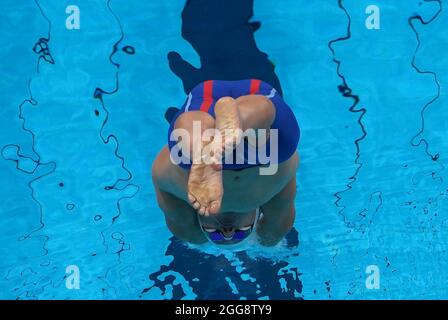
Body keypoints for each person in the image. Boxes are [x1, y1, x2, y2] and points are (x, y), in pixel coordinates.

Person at [152, 79, 300, 246]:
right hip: (261, 157)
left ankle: (203, 151)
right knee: (270, 141)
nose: (227, 232)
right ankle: (240, 120)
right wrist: (268, 241)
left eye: (214, 234)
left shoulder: (180, 189)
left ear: (198, 219)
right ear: (258, 214)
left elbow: (185, 227)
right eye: (241, 232)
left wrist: (191, 235)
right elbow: (274, 230)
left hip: (205, 109)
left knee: (187, 148)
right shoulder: (271, 191)